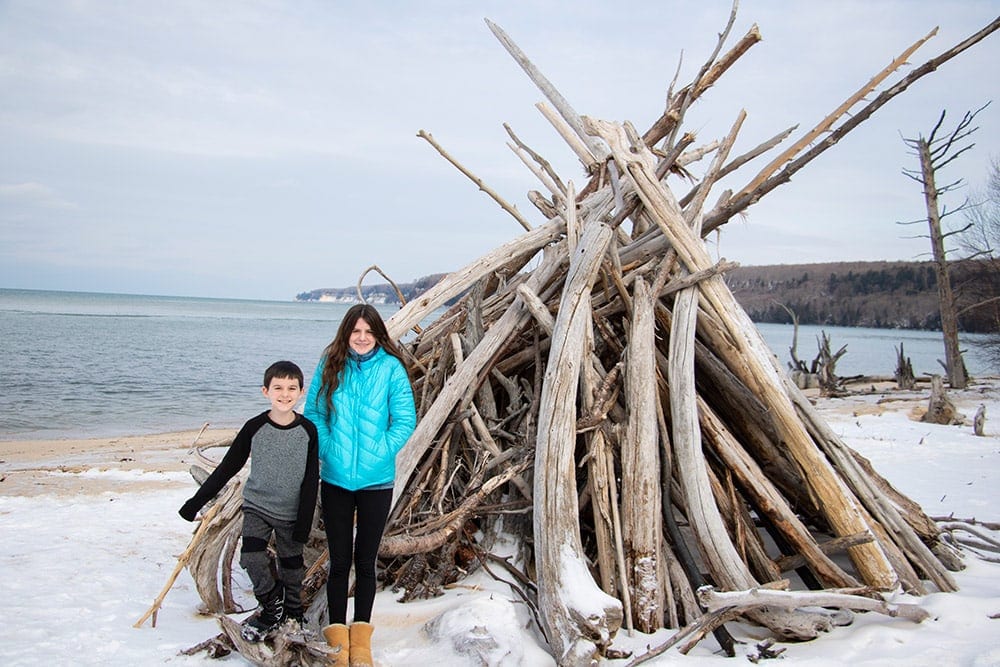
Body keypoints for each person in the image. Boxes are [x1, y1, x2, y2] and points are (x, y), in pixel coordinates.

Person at [304, 304, 416, 667]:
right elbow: (315, 415)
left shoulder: (391, 368)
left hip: (376, 482)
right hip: (335, 479)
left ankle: (362, 644)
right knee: (339, 562)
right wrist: (329, 449)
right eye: (356, 331)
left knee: (365, 562)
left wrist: (380, 451)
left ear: (378, 333)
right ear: (346, 333)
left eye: (368, 331)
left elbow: (405, 420)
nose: (362, 337)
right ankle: (338, 640)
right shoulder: (330, 364)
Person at [179, 360, 319, 643]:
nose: (285, 393)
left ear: (301, 392)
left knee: (291, 565)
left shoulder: (308, 430)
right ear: (265, 391)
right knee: (252, 558)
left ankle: (292, 612)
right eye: (278, 387)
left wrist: (304, 522)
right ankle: (270, 604)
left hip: (292, 511)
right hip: (257, 507)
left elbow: (310, 478)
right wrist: (195, 503)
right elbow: (227, 467)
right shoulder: (254, 427)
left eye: (292, 388)